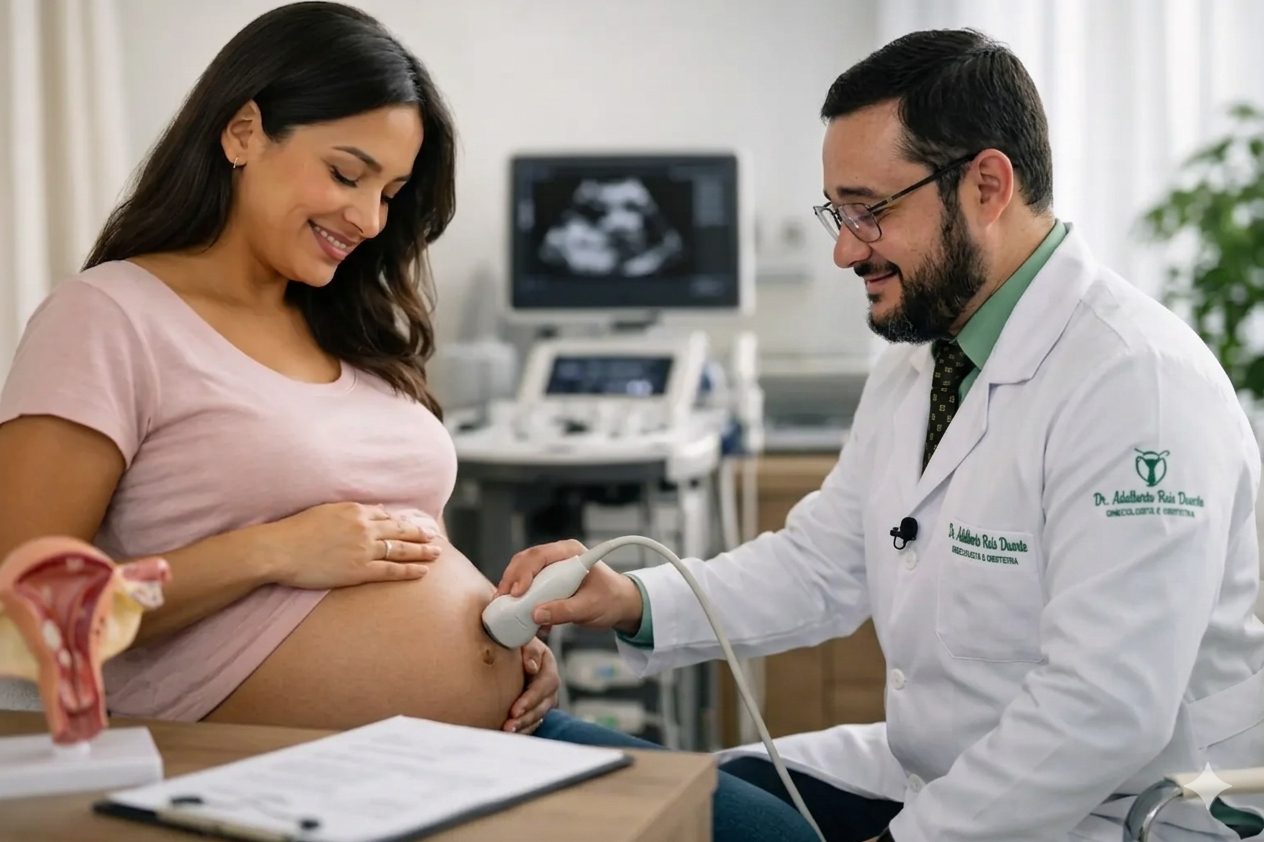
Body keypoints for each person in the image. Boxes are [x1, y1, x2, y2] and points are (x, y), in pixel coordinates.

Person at [0, 4, 818, 841]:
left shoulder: (348, 324)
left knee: (777, 831)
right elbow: (25, 600)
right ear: (243, 131)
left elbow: (398, 542)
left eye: (390, 193)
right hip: (276, 768)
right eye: (347, 174)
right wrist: (272, 551)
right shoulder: (107, 318)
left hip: (473, 747)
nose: (369, 220)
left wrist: (505, 648)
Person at [498, 29, 1264, 842]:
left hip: (1119, 812)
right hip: (940, 772)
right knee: (693, 797)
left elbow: (1105, 710)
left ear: (987, 185)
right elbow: (825, 561)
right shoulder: (927, 357)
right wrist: (634, 600)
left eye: (869, 212)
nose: (842, 249)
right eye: (839, 212)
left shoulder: (1134, 384)